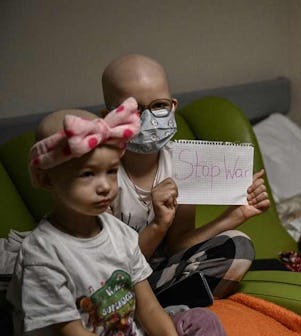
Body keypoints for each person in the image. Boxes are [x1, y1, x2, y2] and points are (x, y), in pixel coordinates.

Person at [6, 100, 225, 335]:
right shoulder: (42, 254)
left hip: (126, 329)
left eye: (111, 171)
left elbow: (148, 308)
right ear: (46, 179)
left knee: (203, 320)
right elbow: (70, 331)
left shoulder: (119, 232)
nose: (105, 187)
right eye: (88, 174)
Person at [101, 54, 270, 298]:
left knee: (238, 246)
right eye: (133, 110)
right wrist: (159, 225)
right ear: (108, 116)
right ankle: (150, 311)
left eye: (159, 106)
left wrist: (235, 215)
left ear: (173, 106)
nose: (148, 119)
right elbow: (113, 267)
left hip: (156, 276)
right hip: (112, 283)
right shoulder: (98, 175)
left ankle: (157, 308)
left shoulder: (183, 164)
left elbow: (176, 246)